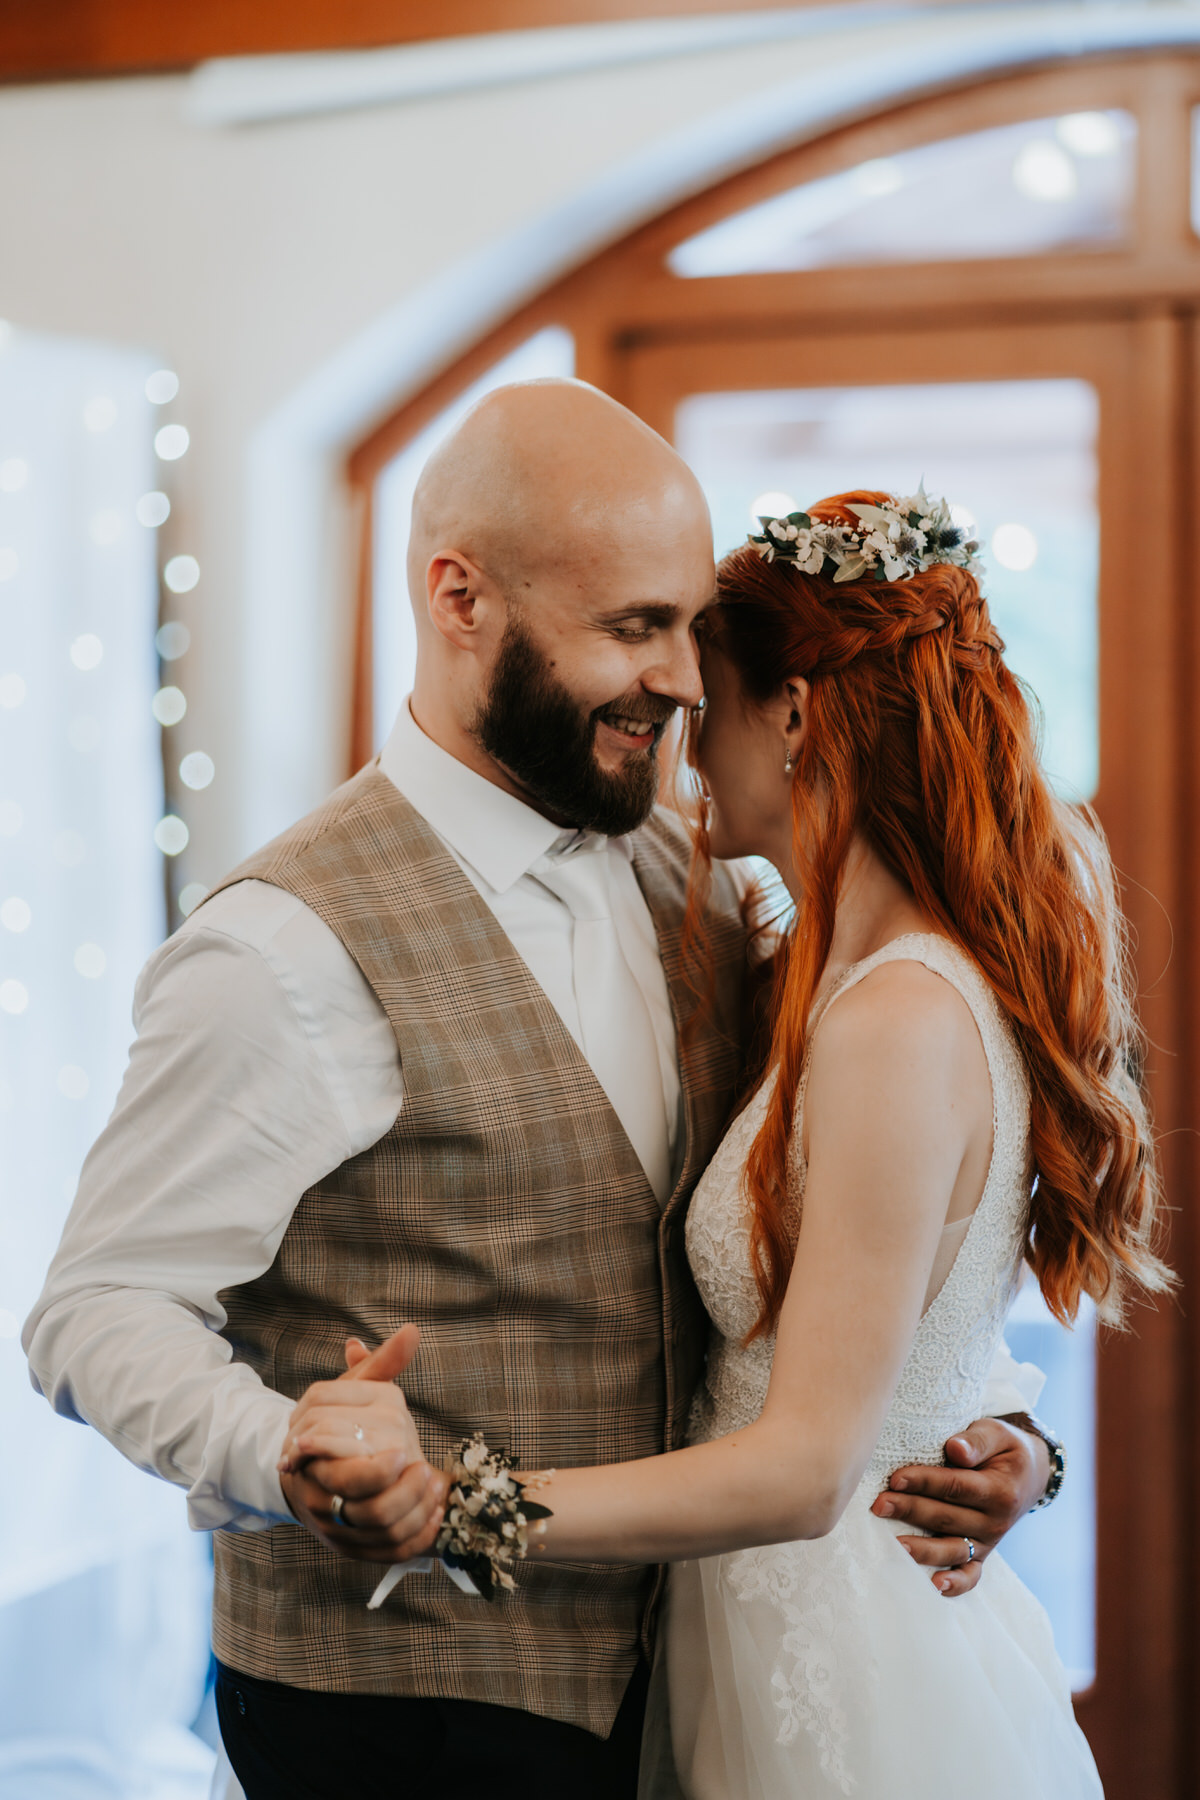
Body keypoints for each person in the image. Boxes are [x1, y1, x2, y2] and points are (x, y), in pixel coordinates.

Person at [26, 394, 1054, 1800]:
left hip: (690, 1687)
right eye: (635, 628)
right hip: (405, 1714)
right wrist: (288, 1450)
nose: (689, 681)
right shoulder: (284, 948)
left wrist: (999, 1443)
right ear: (459, 598)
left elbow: (864, 1243)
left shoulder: (695, 873)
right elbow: (95, 1310)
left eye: (693, 628)